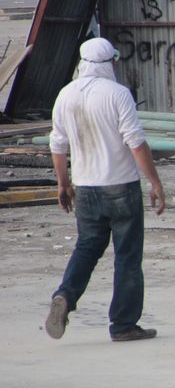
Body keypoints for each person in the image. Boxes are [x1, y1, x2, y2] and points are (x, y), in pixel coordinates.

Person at [45, 38, 166, 343]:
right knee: (127, 256)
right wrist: (154, 181)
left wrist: (63, 184)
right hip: (120, 186)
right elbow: (135, 142)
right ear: (109, 62)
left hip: (85, 188)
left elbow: (57, 144)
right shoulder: (117, 94)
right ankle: (123, 325)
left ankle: (65, 296)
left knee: (86, 247)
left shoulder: (65, 95)